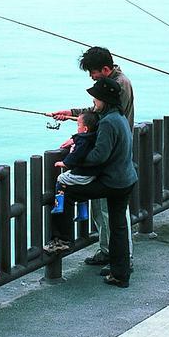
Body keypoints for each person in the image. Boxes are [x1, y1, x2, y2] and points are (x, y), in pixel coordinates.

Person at [44, 77, 137, 288]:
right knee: (119, 227)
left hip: (112, 182)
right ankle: (120, 274)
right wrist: (78, 138)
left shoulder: (107, 122)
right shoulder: (119, 117)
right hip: (126, 179)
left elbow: (99, 156)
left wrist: (73, 162)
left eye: (96, 97)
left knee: (65, 190)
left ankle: (62, 239)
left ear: (104, 98)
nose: (94, 100)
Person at [50, 111, 99, 222]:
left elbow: (76, 156)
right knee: (81, 194)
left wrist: (64, 163)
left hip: (83, 174)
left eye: (78, 126)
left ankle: (58, 205)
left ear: (85, 129)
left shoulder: (83, 141)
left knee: (61, 179)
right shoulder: (94, 137)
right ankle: (83, 212)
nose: (77, 128)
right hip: (92, 175)